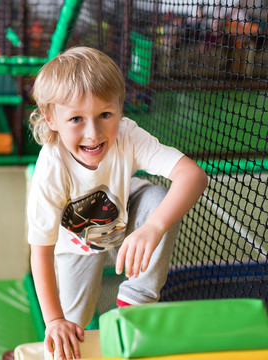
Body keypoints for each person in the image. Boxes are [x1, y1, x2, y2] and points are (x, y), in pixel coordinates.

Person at [27, 46, 207, 360]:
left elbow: (192, 176)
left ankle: (135, 303)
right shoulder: (51, 168)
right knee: (71, 325)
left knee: (156, 198)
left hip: (125, 215)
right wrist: (54, 321)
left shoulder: (127, 136)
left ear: (120, 109)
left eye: (105, 115)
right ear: (50, 117)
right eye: (76, 119)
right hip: (77, 244)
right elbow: (40, 251)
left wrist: (153, 227)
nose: (93, 134)